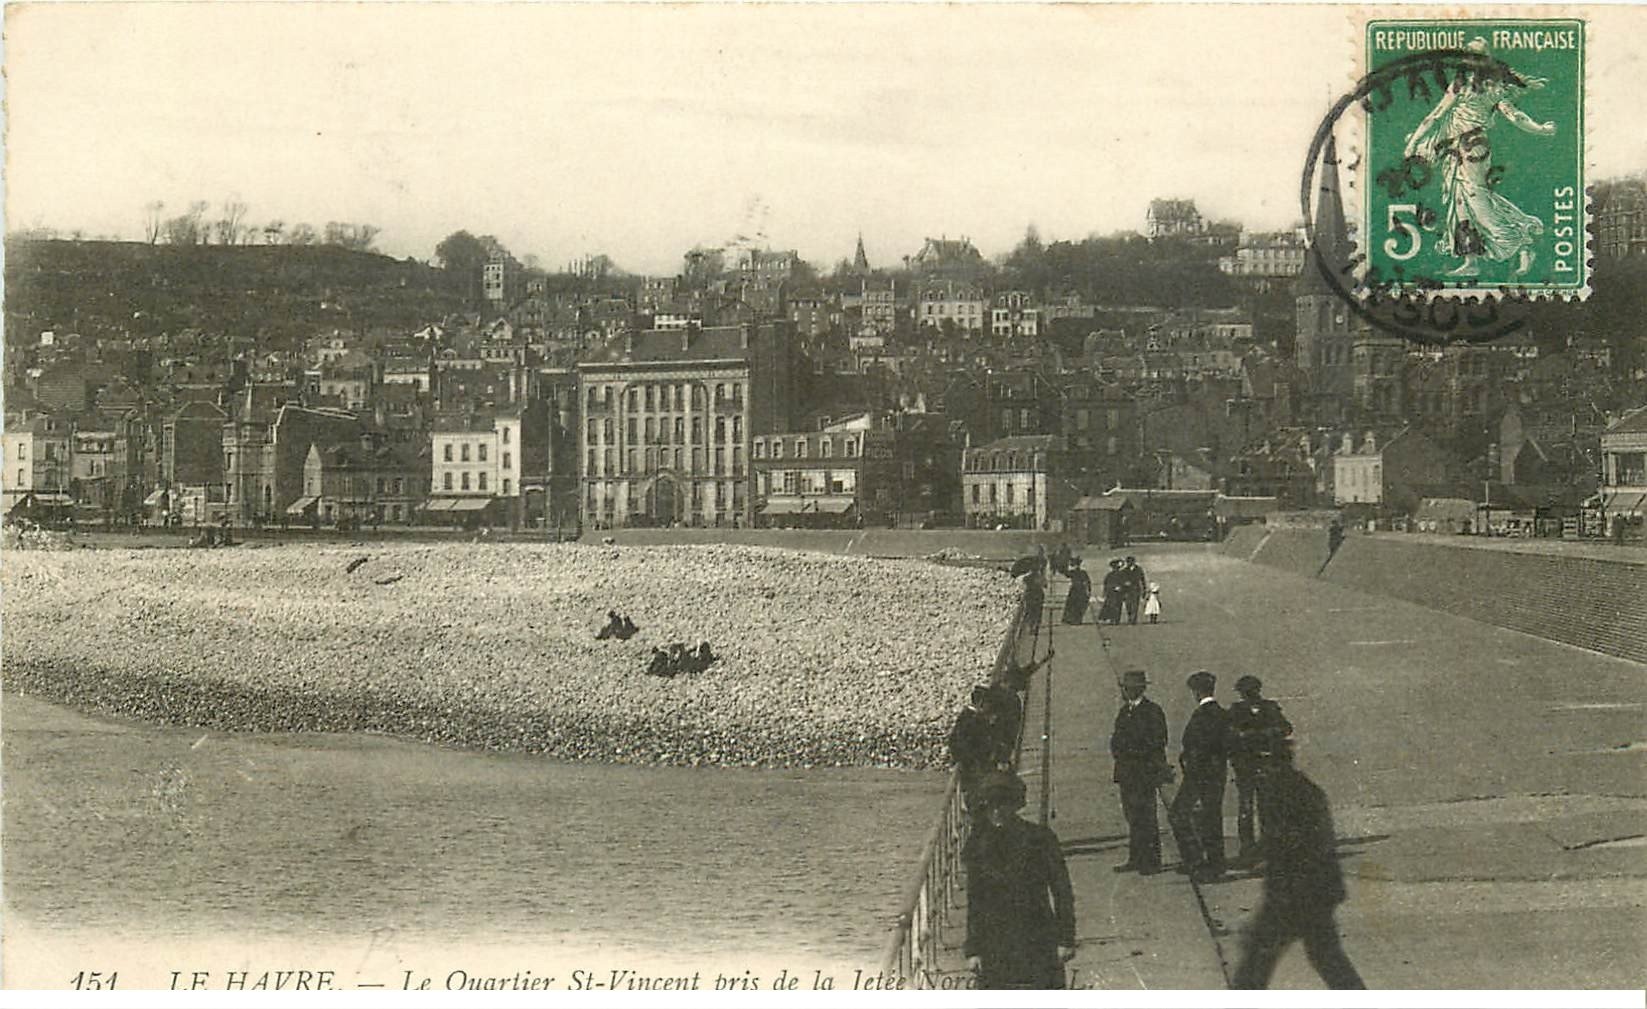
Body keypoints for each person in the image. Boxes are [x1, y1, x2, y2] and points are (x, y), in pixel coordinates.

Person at [1402, 37, 1556, 278]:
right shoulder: (1459, 85)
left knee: (1476, 200)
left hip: (1474, 148)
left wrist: (1540, 129)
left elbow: (1514, 115)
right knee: (1460, 201)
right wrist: (1413, 143)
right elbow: (1435, 115)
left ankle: (1521, 243)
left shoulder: (1494, 89)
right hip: (1453, 148)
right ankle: (1470, 259)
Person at [1230, 739, 1366, 989]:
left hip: (1295, 892)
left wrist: (1253, 854)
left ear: (1270, 764)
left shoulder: (1280, 791)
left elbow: (1286, 839)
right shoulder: (1305, 788)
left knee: (1257, 962)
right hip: (1316, 889)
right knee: (1327, 958)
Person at [962, 771, 1077, 990]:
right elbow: (975, 900)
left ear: (1015, 805)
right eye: (990, 807)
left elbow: (1062, 892)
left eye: (1002, 805)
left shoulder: (1040, 839)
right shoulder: (978, 846)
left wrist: (1066, 939)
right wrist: (973, 949)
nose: (997, 812)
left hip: (1037, 936)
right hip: (994, 942)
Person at [1227, 675, 1294, 866]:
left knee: (1266, 807)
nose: (1249, 695)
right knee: (1246, 808)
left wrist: (1254, 735)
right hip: (1246, 767)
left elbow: (1286, 728)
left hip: (1266, 765)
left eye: (1251, 691)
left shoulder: (1270, 708)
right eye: (1245, 692)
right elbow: (1231, 735)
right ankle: (1248, 848)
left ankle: (1267, 846)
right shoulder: (1236, 711)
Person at [1170, 670, 1229, 881]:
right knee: (1212, 816)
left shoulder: (1202, 715)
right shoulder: (1222, 714)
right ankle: (1215, 862)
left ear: (1196, 692)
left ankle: (1197, 861)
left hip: (1198, 774)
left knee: (1179, 814)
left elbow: (1196, 745)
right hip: (1216, 772)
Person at [1109, 669, 1168, 874]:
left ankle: (1151, 861)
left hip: (1143, 773)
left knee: (1147, 816)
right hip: (1127, 773)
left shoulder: (1152, 711)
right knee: (1132, 816)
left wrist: (1130, 751)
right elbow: (1115, 740)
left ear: (1136, 690)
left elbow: (1157, 742)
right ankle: (1136, 857)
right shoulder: (1125, 711)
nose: (1124, 691)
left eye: (1127, 688)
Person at [948, 687, 1000, 812]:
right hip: (973, 765)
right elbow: (961, 742)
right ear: (981, 703)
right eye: (988, 703)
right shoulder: (971, 719)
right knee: (976, 796)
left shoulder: (969, 717)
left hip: (973, 763)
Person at [1061, 558, 1091, 625]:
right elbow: (1087, 582)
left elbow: (1087, 582)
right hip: (1078, 590)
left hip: (1077, 589)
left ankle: (1074, 619)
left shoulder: (1077, 572)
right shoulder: (1081, 572)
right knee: (1075, 605)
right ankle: (1075, 619)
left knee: (1074, 605)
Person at [1097, 559, 1126, 625]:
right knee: (1112, 606)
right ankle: (1113, 619)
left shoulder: (1121, 574)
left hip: (1119, 593)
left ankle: (1116, 620)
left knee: (1118, 606)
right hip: (1111, 594)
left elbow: (1124, 583)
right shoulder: (1110, 575)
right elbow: (1106, 584)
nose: (1116, 568)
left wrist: (1121, 588)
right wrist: (1110, 589)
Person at [1120, 556, 1148, 625]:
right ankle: (1130, 617)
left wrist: (1144, 589)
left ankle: (1133, 619)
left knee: (1135, 605)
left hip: (1135, 589)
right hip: (1127, 590)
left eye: (1130, 562)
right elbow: (1121, 580)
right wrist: (1124, 583)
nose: (1128, 563)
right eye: (1128, 562)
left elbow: (1142, 580)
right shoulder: (1124, 570)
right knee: (1128, 604)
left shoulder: (1138, 569)